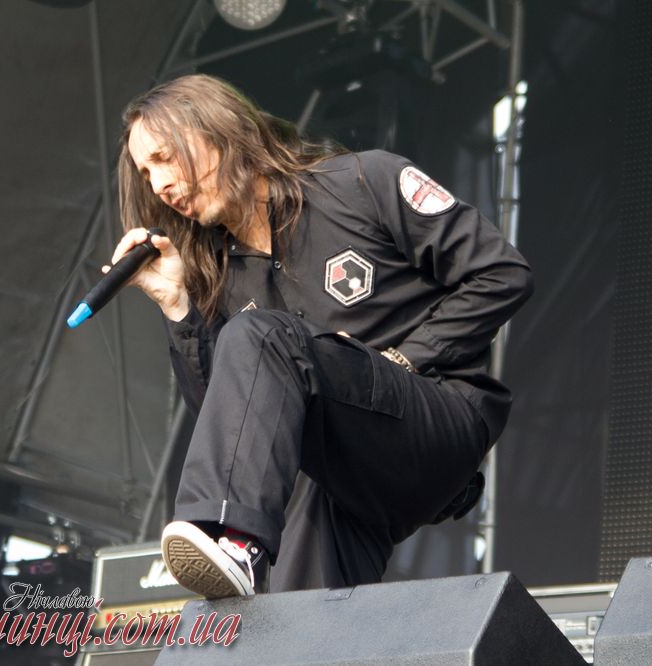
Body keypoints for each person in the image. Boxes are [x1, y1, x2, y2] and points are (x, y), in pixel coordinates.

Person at [108, 74, 533, 599]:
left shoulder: (362, 181)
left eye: (164, 158)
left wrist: (404, 358)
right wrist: (177, 305)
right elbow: (232, 421)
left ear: (217, 129)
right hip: (338, 472)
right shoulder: (218, 276)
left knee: (261, 335)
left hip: (436, 423)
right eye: (146, 172)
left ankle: (230, 535)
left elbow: (500, 275)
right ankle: (250, 565)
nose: (158, 185)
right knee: (300, 617)